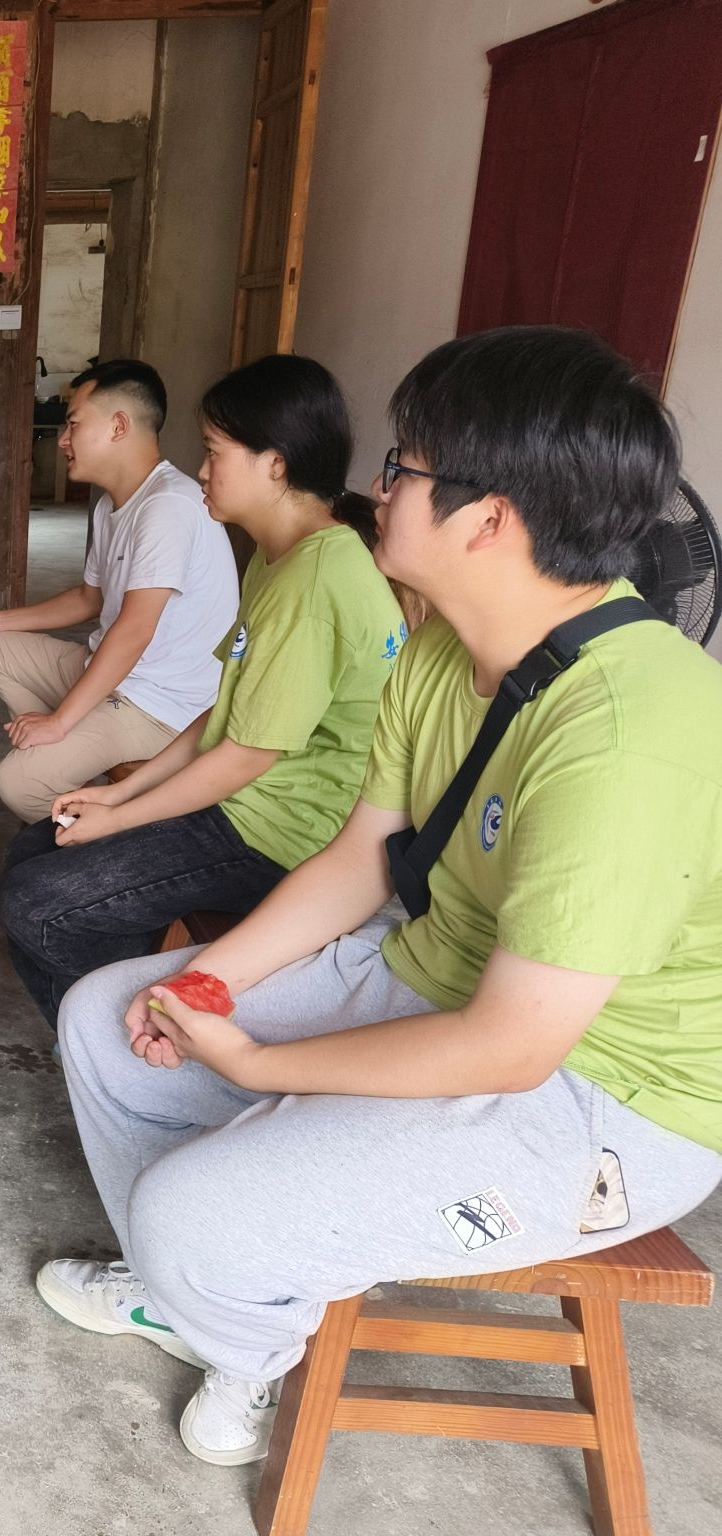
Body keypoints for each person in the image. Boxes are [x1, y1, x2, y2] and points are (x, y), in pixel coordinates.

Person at [36, 327, 722, 1471]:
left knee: (186, 1214)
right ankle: (197, 1290)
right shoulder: (443, 648)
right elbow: (361, 859)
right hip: (430, 966)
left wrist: (259, 1062)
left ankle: (234, 1332)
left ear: (486, 518)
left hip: (604, 1097)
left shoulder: (627, 734)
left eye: (402, 467)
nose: (377, 489)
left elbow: (509, 1048)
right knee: (108, 1023)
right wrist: (210, 984)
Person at [0, 356, 406, 1021]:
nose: (204, 470)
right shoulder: (282, 558)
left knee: (37, 902)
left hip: (281, 833)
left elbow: (245, 758)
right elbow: (228, 708)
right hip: (246, 802)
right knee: (33, 849)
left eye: (215, 452)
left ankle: (134, 1037)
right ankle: (116, 1018)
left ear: (275, 464)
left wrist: (121, 816)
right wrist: (121, 790)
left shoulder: (313, 582)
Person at [0, 360, 239, 822]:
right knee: (0, 646)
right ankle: (70, 777)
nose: (64, 440)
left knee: (20, 784)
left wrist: (59, 721)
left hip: (159, 707)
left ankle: (92, 833)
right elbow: (90, 599)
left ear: (119, 426)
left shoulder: (167, 506)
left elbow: (135, 630)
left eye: (75, 424)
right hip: (114, 677)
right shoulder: (112, 506)